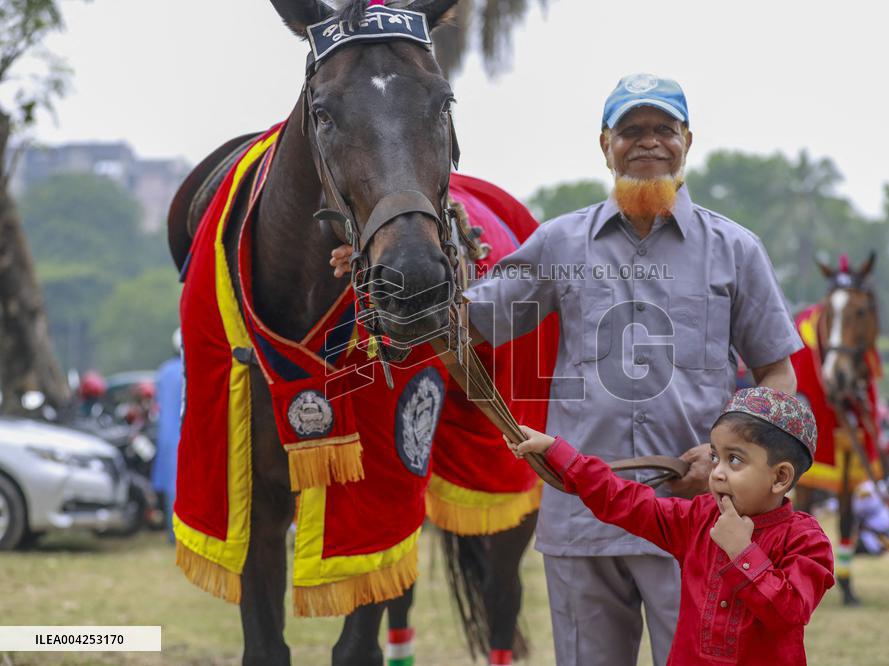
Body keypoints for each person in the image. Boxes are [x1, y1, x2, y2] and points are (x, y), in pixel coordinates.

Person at [331, 73, 801, 665]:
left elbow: (777, 377)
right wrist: (385, 273)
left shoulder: (736, 250)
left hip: (697, 518)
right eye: (631, 130)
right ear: (605, 144)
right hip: (582, 518)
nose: (648, 143)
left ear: (688, 140)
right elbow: (468, 323)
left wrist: (729, 461)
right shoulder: (560, 245)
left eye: (664, 129)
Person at [506, 386, 834, 666]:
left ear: (780, 477)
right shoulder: (698, 519)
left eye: (734, 460)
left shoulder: (806, 541)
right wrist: (557, 452)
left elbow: (788, 612)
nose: (717, 473)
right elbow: (627, 502)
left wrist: (742, 551)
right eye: (716, 457)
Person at [151, 328, 184, 543]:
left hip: (166, 434)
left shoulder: (164, 372)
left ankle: (172, 533)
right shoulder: (191, 368)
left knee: (171, 483)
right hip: (186, 433)